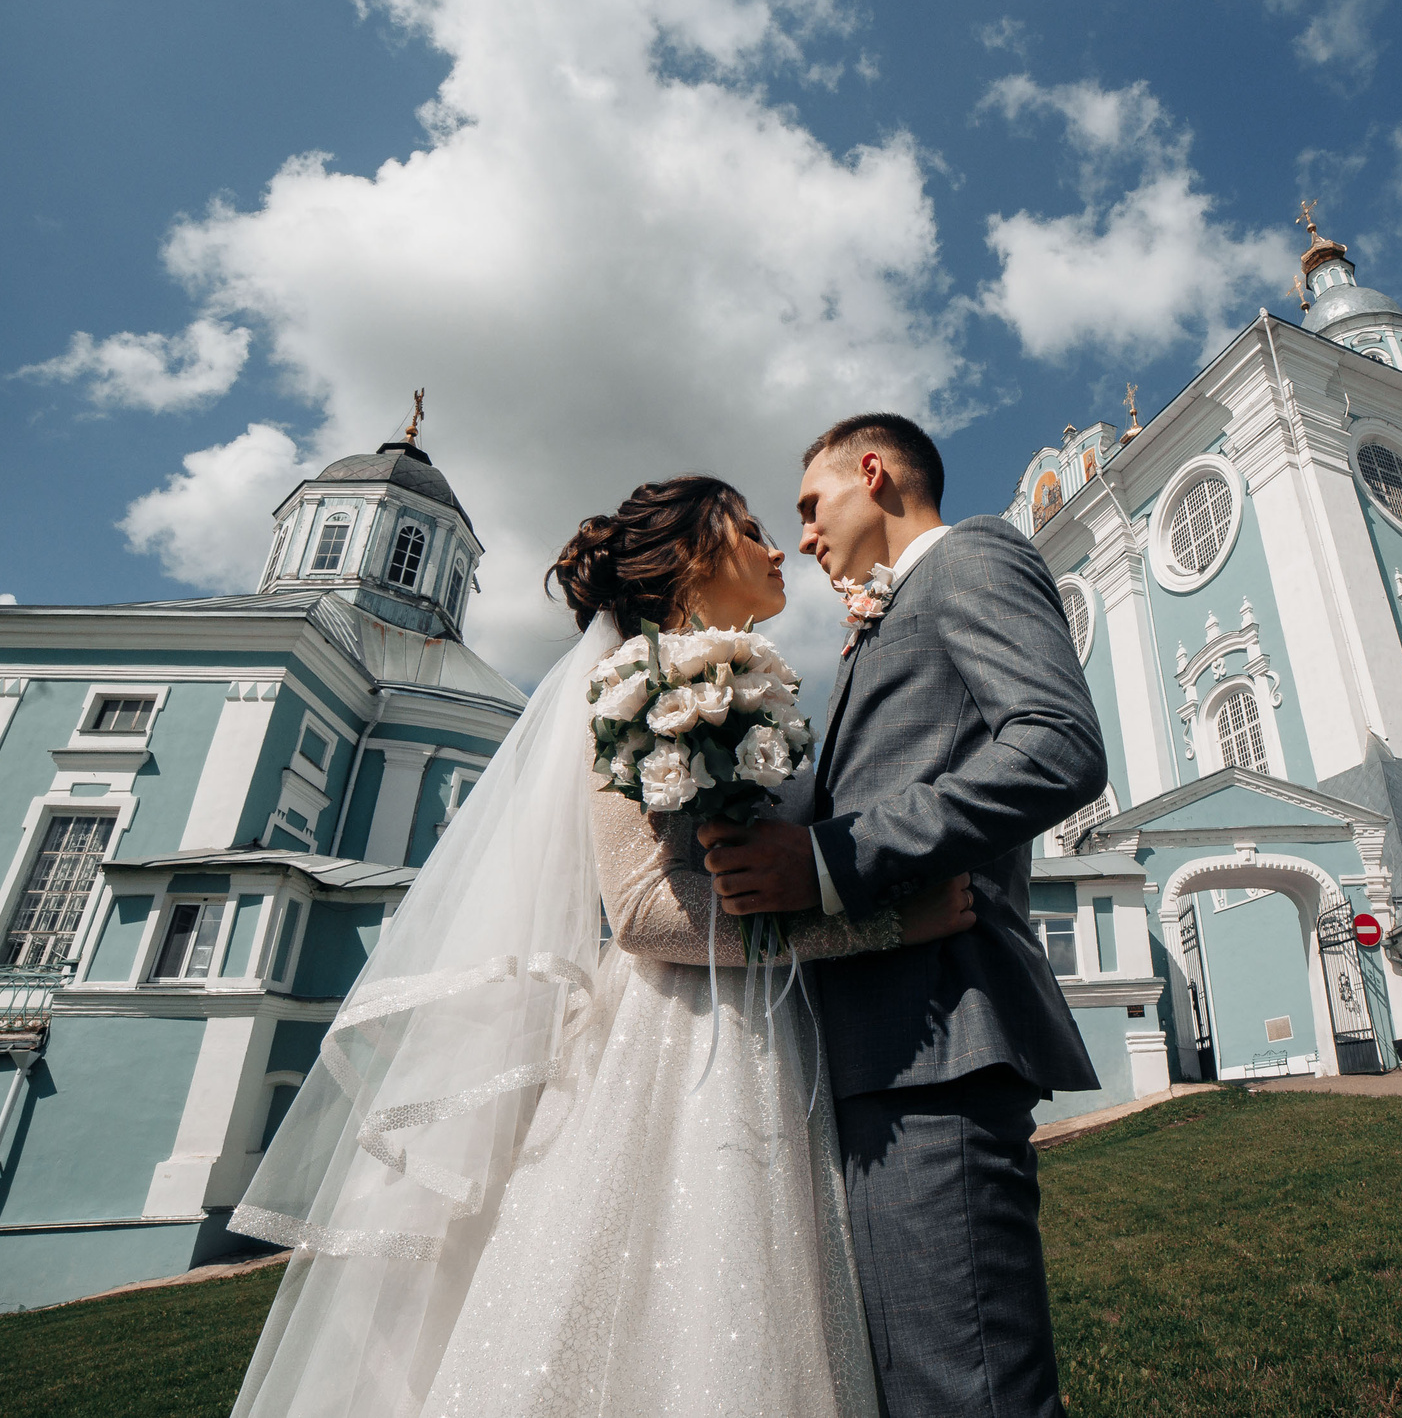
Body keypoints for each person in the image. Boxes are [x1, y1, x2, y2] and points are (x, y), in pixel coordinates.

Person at [227, 474, 975, 1418]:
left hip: (761, 1024)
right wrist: (881, 926)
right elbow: (646, 914)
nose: (778, 546)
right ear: (695, 552)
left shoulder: (743, 678)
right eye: (748, 527)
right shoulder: (630, 680)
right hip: (669, 1044)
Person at [701, 413, 1108, 1418]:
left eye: (809, 505)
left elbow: (1056, 744)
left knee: (962, 1389)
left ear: (872, 472)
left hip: (941, 1037)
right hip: (872, 1048)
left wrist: (832, 859)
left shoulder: (974, 556)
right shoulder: (880, 620)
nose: (801, 535)